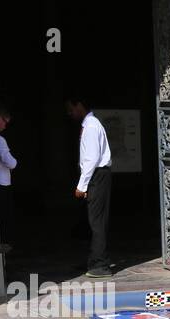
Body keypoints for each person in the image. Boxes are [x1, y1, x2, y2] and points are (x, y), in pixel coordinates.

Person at [65, 93, 113, 278]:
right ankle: (94, 259)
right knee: (93, 220)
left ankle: (100, 264)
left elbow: (91, 158)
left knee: (97, 221)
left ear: (79, 106)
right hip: (95, 175)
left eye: (71, 109)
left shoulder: (92, 127)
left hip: (97, 176)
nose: (70, 113)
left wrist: (82, 186)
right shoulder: (88, 125)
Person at [0, 106, 17, 246]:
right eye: (4, 121)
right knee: (5, 217)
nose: (5, 125)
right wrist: (15, 163)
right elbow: (11, 162)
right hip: (1, 183)